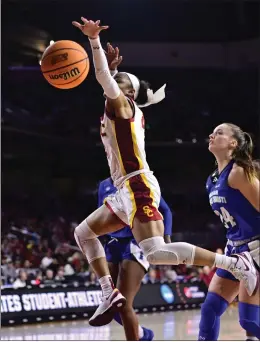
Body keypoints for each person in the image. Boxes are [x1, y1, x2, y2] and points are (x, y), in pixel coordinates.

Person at [71, 18, 257, 335]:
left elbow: (103, 76)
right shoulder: (117, 106)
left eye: (119, 83)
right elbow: (108, 79)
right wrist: (114, 73)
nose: (112, 84)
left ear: (127, 91)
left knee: (157, 253)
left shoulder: (123, 105)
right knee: (83, 234)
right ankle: (108, 292)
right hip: (124, 189)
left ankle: (232, 264)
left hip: (138, 185)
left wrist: (93, 42)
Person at [198, 123, 260, 341]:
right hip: (234, 249)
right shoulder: (212, 180)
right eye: (212, 132)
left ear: (233, 143)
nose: (211, 135)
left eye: (219, 133)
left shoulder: (239, 172)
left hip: (255, 248)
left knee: (250, 321)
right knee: (210, 310)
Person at [98, 177, 172, 340]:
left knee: (123, 303)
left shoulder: (139, 179)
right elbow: (100, 215)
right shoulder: (103, 185)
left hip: (135, 241)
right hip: (112, 243)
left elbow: (165, 210)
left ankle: (141, 336)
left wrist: (166, 237)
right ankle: (143, 334)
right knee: (111, 304)